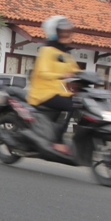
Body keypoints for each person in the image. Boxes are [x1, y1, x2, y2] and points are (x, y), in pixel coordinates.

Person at [27, 15, 81, 156]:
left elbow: (75, 70)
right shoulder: (46, 51)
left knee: (80, 104)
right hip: (42, 93)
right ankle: (58, 141)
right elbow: (43, 72)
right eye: (62, 32)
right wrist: (63, 76)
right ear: (53, 32)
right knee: (71, 106)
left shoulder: (65, 53)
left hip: (58, 92)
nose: (66, 35)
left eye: (67, 31)